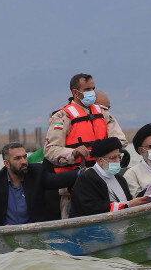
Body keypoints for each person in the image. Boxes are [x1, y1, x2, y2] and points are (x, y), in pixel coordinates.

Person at [44, 73, 127, 218]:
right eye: (88, 89)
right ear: (76, 92)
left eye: (93, 88)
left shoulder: (103, 113)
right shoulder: (62, 117)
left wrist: (103, 150)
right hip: (73, 187)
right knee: (72, 226)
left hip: (105, 181)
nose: (92, 93)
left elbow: (121, 140)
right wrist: (73, 153)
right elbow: (50, 150)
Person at [0, 142, 78, 232]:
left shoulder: (36, 172)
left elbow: (58, 180)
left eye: (25, 157)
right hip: (3, 234)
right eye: (18, 158)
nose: (24, 161)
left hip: (34, 233)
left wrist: (83, 172)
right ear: (7, 164)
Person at [69, 137, 151, 217]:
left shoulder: (120, 179)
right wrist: (128, 205)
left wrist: (147, 195)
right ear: (100, 160)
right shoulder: (86, 179)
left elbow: (129, 201)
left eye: (119, 157)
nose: (118, 161)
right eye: (113, 158)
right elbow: (94, 209)